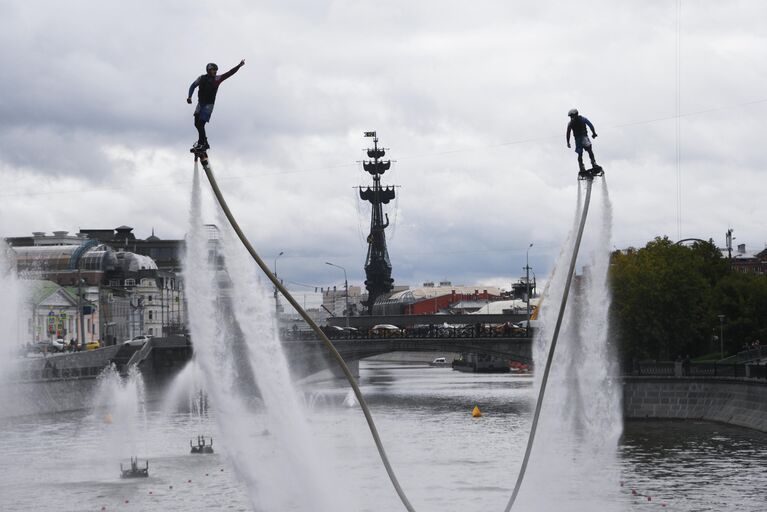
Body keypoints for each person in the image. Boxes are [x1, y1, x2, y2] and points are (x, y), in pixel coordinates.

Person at [187, 59, 245, 151]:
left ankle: (202, 143)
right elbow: (192, 86)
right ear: (209, 70)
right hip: (200, 104)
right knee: (196, 123)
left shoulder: (217, 79)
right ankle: (204, 142)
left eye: (216, 70)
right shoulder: (201, 78)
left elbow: (229, 73)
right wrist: (189, 97)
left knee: (201, 124)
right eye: (214, 70)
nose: (215, 72)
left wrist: (239, 65)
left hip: (208, 105)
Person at [566, 108, 598, 172]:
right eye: (570, 117)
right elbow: (568, 132)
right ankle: (582, 166)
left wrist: (594, 133)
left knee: (589, 150)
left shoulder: (582, 119)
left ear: (576, 114)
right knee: (581, 153)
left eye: (572, 116)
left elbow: (591, 125)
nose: (571, 118)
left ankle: (593, 163)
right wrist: (568, 142)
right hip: (578, 140)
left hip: (583, 138)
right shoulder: (572, 123)